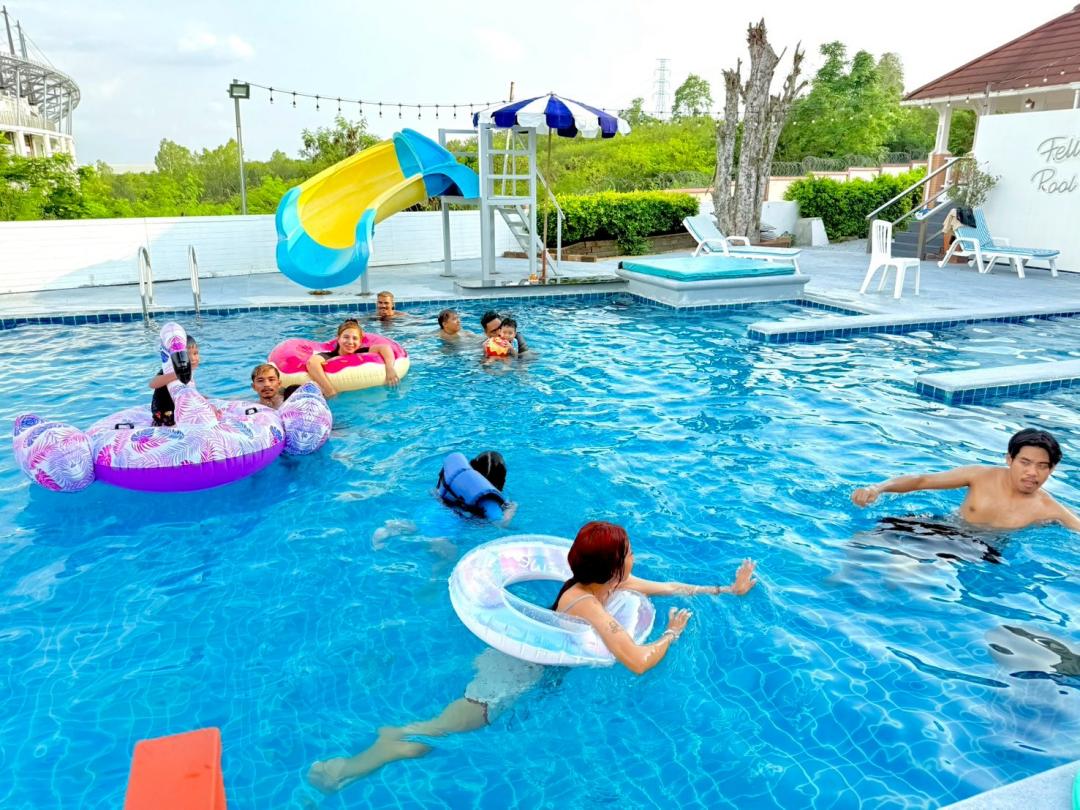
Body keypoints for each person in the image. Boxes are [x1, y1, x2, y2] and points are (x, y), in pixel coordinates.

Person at [306, 521, 757, 792]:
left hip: (520, 663)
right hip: (511, 676)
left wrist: (726, 589)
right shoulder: (587, 604)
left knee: (444, 727)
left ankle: (378, 753)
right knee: (433, 734)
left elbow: (669, 587)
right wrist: (672, 634)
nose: (635, 557)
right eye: (629, 553)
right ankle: (359, 761)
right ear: (614, 567)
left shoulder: (610, 584)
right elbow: (637, 662)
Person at [852, 428, 1080, 531]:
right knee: (863, 541)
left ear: (1052, 468)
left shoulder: (1048, 508)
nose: (1032, 472)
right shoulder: (979, 476)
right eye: (1025, 462)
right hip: (942, 526)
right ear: (1009, 459)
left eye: (1042, 466)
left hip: (976, 549)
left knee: (904, 572)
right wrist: (877, 488)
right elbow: (921, 480)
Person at [306, 318, 399, 398]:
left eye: (355, 338)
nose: (350, 342)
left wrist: (389, 367)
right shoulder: (330, 356)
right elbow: (312, 363)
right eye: (346, 337)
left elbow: (384, 348)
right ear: (338, 339)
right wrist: (329, 390)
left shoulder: (361, 353)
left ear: (360, 342)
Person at [436, 451, 517, 524]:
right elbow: (501, 524)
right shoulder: (489, 502)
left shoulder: (459, 484)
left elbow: (435, 493)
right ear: (501, 480)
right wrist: (511, 509)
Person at [149, 335, 199, 427]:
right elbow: (152, 384)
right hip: (165, 413)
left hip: (179, 409)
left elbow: (191, 392)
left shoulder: (190, 372)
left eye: (195, 353)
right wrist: (177, 374)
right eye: (187, 355)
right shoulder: (169, 370)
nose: (193, 358)